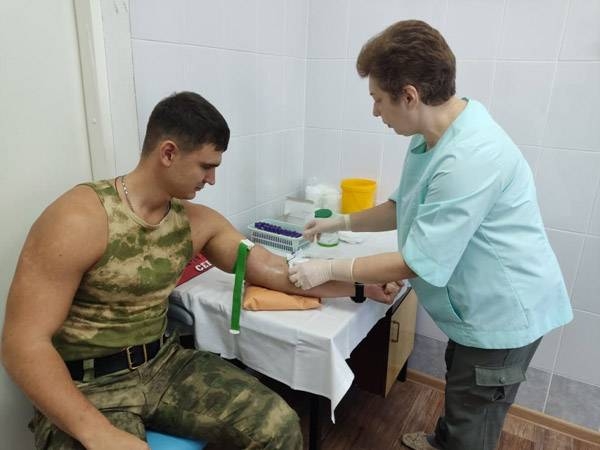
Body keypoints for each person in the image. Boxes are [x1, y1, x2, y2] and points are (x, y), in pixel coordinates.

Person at [1, 91, 400, 450]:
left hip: (163, 366)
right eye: (206, 166)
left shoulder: (197, 222)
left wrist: (359, 285)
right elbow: (22, 343)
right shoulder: (79, 219)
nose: (212, 179)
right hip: (89, 383)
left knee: (278, 426)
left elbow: (277, 271)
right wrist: (96, 431)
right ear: (168, 153)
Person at [288, 20, 573, 450]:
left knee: (475, 416)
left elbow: (414, 261)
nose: (375, 112)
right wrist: (339, 223)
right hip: (474, 306)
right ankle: (446, 439)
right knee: (461, 384)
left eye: (377, 99)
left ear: (409, 96)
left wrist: (327, 268)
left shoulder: (470, 156)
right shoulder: (431, 137)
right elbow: (401, 208)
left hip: (503, 313)